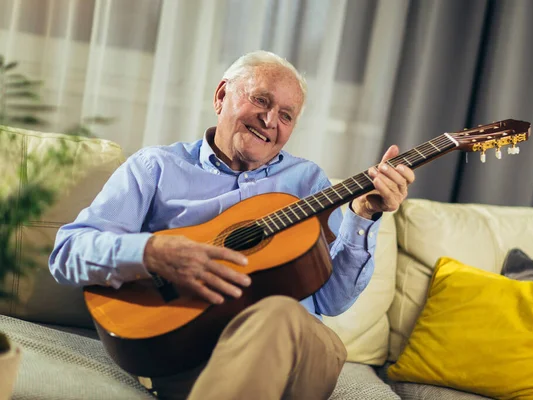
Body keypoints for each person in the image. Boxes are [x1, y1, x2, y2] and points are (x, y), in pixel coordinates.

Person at [49, 50, 415, 400]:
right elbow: (67, 253)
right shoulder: (155, 167)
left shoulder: (308, 183)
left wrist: (363, 215)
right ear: (222, 95)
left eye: (286, 116)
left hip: (302, 353)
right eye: (261, 101)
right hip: (187, 350)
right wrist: (151, 253)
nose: (270, 121)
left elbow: (332, 300)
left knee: (279, 313)